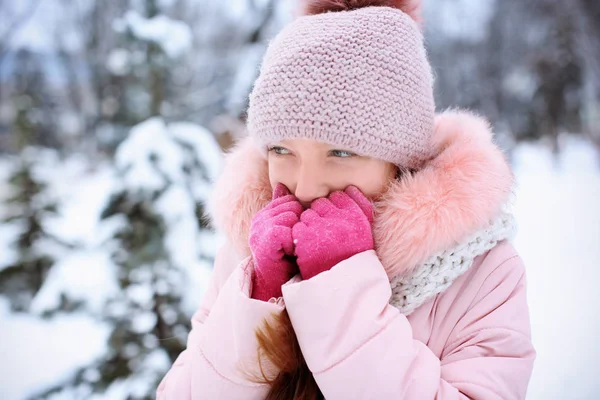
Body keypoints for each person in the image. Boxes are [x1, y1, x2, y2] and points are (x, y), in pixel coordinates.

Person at [157, 0, 536, 398]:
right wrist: (260, 304)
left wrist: (341, 290)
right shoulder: (247, 257)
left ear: (400, 159)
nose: (304, 188)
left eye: (341, 153)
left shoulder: (482, 273)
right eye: (282, 151)